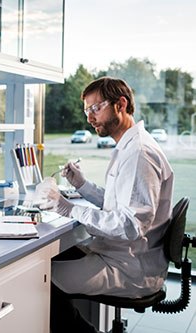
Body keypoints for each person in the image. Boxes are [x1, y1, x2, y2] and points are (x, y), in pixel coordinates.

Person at [45, 77, 174, 333]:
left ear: (120, 104)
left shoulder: (139, 153)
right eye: (86, 111)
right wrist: (82, 185)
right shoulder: (129, 146)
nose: (90, 118)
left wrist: (70, 209)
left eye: (96, 108)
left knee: (39, 280)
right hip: (123, 256)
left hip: (130, 268)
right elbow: (119, 203)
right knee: (58, 257)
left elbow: (130, 226)